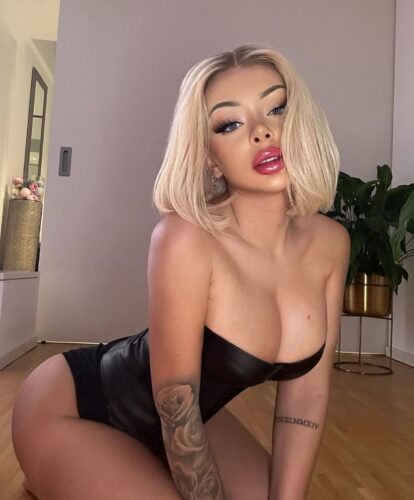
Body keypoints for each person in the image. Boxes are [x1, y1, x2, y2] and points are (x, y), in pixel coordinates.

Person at [12, 43, 350, 500]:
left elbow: (306, 397)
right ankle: (56, 467)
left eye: (277, 108)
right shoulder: (185, 237)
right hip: (74, 409)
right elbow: (177, 404)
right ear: (210, 156)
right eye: (230, 124)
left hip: (195, 423)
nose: (262, 132)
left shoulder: (330, 244)